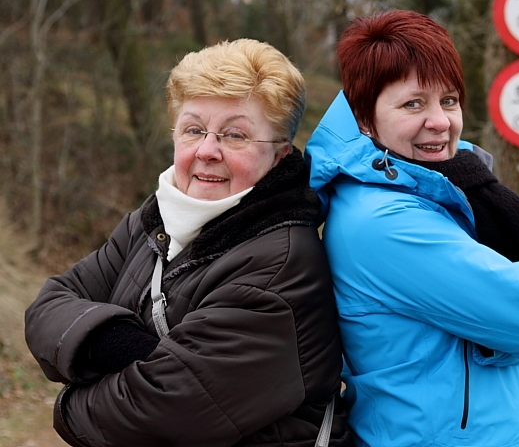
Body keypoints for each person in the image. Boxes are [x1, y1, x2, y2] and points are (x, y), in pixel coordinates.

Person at [25, 38, 352, 447]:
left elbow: (157, 415)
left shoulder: (281, 265)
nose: (207, 150)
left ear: (280, 156)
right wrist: (116, 345)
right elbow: (48, 305)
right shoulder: (155, 219)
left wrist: (67, 404)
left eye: (235, 135)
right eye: (193, 129)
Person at [304, 10, 519, 446]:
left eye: (448, 100)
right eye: (413, 104)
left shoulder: (427, 189)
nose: (441, 121)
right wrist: (510, 321)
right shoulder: (386, 224)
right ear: (365, 118)